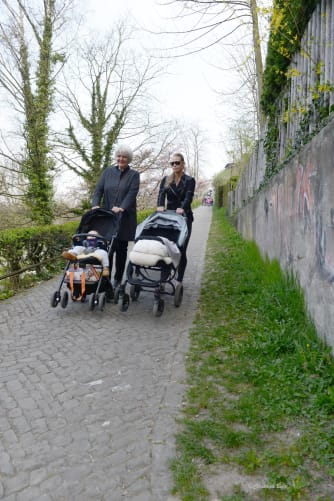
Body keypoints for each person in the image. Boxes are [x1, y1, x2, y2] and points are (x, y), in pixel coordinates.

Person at [91, 144, 140, 287]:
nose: (121, 159)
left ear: (128, 159)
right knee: (108, 249)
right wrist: (95, 204)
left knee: (121, 249)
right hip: (108, 218)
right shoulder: (107, 172)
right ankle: (106, 279)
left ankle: (118, 279)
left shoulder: (134, 175)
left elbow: (132, 194)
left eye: (124, 157)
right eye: (119, 156)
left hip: (125, 218)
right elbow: (98, 190)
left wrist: (122, 207)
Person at [156, 152, 196, 283]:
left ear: (183, 164)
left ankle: (179, 279)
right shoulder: (166, 180)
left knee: (182, 248)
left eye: (177, 162)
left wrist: (183, 208)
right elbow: (161, 194)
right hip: (170, 217)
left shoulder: (190, 180)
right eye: (172, 163)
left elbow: (188, 196)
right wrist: (160, 206)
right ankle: (164, 277)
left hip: (184, 217)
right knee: (167, 247)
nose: (174, 165)